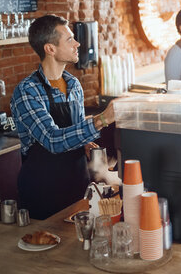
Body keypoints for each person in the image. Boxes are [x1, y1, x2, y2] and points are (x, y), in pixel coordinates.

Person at [10, 14, 115, 220]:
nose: (77, 43)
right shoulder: (27, 91)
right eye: (69, 40)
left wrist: (84, 143)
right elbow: (52, 140)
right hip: (42, 190)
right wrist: (101, 120)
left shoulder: (74, 85)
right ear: (50, 49)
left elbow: (73, 130)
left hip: (76, 185)